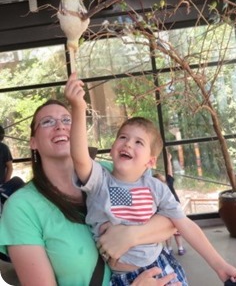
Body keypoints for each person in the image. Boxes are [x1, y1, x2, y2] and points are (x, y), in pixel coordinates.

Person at [65, 72, 236, 285]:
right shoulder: (99, 181)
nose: (128, 144)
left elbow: (185, 225)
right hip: (122, 278)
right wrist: (78, 108)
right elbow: (79, 157)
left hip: (160, 268)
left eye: (138, 142)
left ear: (150, 162)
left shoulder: (156, 187)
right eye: (122, 137)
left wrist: (220, 265)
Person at [0, 99, 181, 286]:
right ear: (33, 142)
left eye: (67, 120)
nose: (60, 126)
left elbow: (173, 221)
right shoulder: (22, 208)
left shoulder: (109, 174)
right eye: (47, 122)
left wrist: (131, 236)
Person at [153, 151, 186, 256]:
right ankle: (180, 248)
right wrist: (168, 160)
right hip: (174, 208)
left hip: (163, 211)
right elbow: (169, 172)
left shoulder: (154, 189)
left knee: (167, 229)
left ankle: (168, 248)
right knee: (177, 229)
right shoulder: (168, 184)